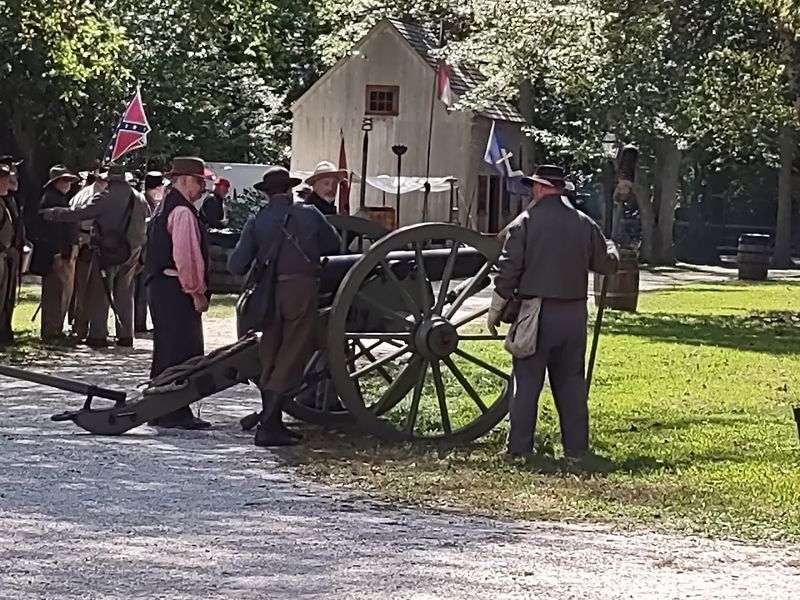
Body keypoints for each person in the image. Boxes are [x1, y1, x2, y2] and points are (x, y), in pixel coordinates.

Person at [489, 165, 619, 460]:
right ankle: (576, 450)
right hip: (574, 314)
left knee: (526, 383)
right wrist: (612, 248)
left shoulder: (524, 223)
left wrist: (496, 309)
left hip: (537, 313)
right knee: (572, 384)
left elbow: (509, 270)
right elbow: (606, 265)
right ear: (561, 189)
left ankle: (520, 450)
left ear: (538, 188)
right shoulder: (584, 223)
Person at [228, 166, 341, 447]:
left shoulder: (258, 219)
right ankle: (268, 425)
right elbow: (335, 245)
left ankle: (274, 421)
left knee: (271, 352)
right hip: (300, 289)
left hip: (267, 292)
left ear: (267, 194)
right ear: (290, 189)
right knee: (293, 351)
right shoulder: (308, 213)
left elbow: (236, 264)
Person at [42, 165, 148, 348]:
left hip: (108, 250)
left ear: (109, 180)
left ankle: (98, 336)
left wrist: (53, 214)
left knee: (99, 292)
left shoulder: (105, 197)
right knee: (125, 293)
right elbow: (147, 224)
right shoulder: (139, 198)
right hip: (132, 251)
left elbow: (81, 214)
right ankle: (126, 336)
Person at [145, 157, 214, 430]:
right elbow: (186, 259)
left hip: (163, 287)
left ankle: (159, 408)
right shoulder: (182, 212)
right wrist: (196, 292)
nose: (201, 187)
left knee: (167, 350)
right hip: (175, 289)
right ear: (184, 180)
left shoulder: (166, 205)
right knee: (182, 353)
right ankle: (173, 411)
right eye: (199, 181)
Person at [32, 164, 79, 341]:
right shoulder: (51, 199)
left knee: (63, 292)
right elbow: (51, 233)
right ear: (56, 182)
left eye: (69, 180)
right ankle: (51, 331)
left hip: (64, 253)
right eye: (64, 180)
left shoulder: (60, 198)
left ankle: (56, 328)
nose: (68, 183)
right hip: (56, 254)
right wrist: (56, 254)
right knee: (54, 293)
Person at [67, 167, 109, 340]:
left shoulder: (83, 193)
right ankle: (81, 327)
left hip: (83, 243)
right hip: (88, 245)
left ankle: (78, 325)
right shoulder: (94, 197)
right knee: (86, 289)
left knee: (80, 288)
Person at [134, 171, 167, 333]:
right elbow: (142, 232)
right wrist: (140, 258)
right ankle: (138, 324)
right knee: (140, 292)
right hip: (141, 254)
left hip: (147, 254)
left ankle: (140, 323)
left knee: (144, 292)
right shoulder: (143, 203)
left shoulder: (152, 203)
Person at [0, 155, 24, 344]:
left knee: (8, 297)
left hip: (10, 254)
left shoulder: (10, 200)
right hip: (3, 254)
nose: (12, 178)